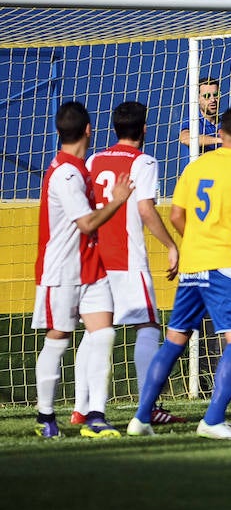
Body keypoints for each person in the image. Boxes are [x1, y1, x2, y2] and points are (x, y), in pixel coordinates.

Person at [127, 105, 231, 439]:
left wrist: (197, 240)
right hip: (222, 265)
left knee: (175, 337)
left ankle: (141, 418)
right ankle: (213, 420)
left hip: (191, 263)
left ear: (219, 134)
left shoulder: (198, 164)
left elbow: (175, 215)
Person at [70, 102, 184, 427]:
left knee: (94, 333)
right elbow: (146, 210)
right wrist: (171, 245)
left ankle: (81, 408)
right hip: (128, 260)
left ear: (114, 128)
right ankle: (148, 407)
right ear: (144, 129)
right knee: (147, 327)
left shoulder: (93, 160)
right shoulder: (144, 161)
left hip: (95, 259)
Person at [32, 101, 134, 439]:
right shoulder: (65, 173)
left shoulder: (78, 168)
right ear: (88, 130)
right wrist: (117, 200)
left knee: (103, 334)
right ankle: (45, 416)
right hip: (62, 270)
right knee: (58, 339)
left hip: (92, 266)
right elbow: (87, 221)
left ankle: (95, 416)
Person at [178, 77, 222, 172]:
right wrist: (220, 140)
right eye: (206, 96)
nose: (213, 100)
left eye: (216, 95)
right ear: (197, 99)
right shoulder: (192, 121)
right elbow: (185, 138)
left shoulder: (226, 125)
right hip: (192, 182)